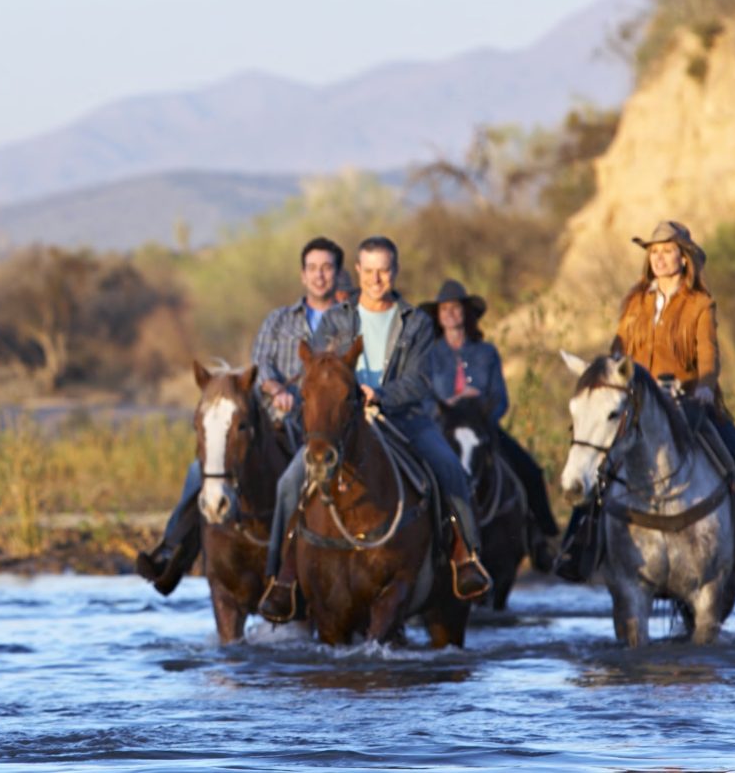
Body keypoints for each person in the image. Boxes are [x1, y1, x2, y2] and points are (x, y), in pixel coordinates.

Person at [255, 237, 492, 623]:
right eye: (368, 271)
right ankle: (281, 577)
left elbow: (419, 381)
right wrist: (344, 392)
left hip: (402, 417)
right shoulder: (336, 319)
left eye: (384, 270)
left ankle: (466, 557)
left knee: (449, 467)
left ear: (394, 272)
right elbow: (319, 367)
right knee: (288, 484)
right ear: (359, 273)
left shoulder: (415, 322)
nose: (376, 278)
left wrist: (381, 395)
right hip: (344, 422)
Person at [134, 236, 346, 595]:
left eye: (326, 268)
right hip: (269, 418)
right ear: (302, 275)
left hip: (318, 424)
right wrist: (276, 389)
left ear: (338, 274)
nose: (319, 275)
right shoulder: (278, 321)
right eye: (312, 268)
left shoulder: (349, 323)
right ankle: (172, 551)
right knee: (200, 470)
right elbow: (260, 367)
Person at [608, 221, 735, 579]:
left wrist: (703, 386)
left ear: (684, 258)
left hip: (687, 400)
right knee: (597, 457)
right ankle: (578, 543)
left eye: (667, 250)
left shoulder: (700, 304)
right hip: (636, 404)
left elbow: (709, 355)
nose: (659, 258)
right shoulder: (633, 302)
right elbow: (618, 351)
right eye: (653, 251)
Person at [417, 279, 560, 571]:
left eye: (456, 309)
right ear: (438, 316)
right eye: (445, 310)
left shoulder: (487, 353)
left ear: (466, 314)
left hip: (482, 428)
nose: (451, 314)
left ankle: (543, 540)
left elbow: (501, 398)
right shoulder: (429, 355)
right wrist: (449, 406)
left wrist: (484, 416)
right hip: (443, 430)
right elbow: (423, 398)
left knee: (529, 470)